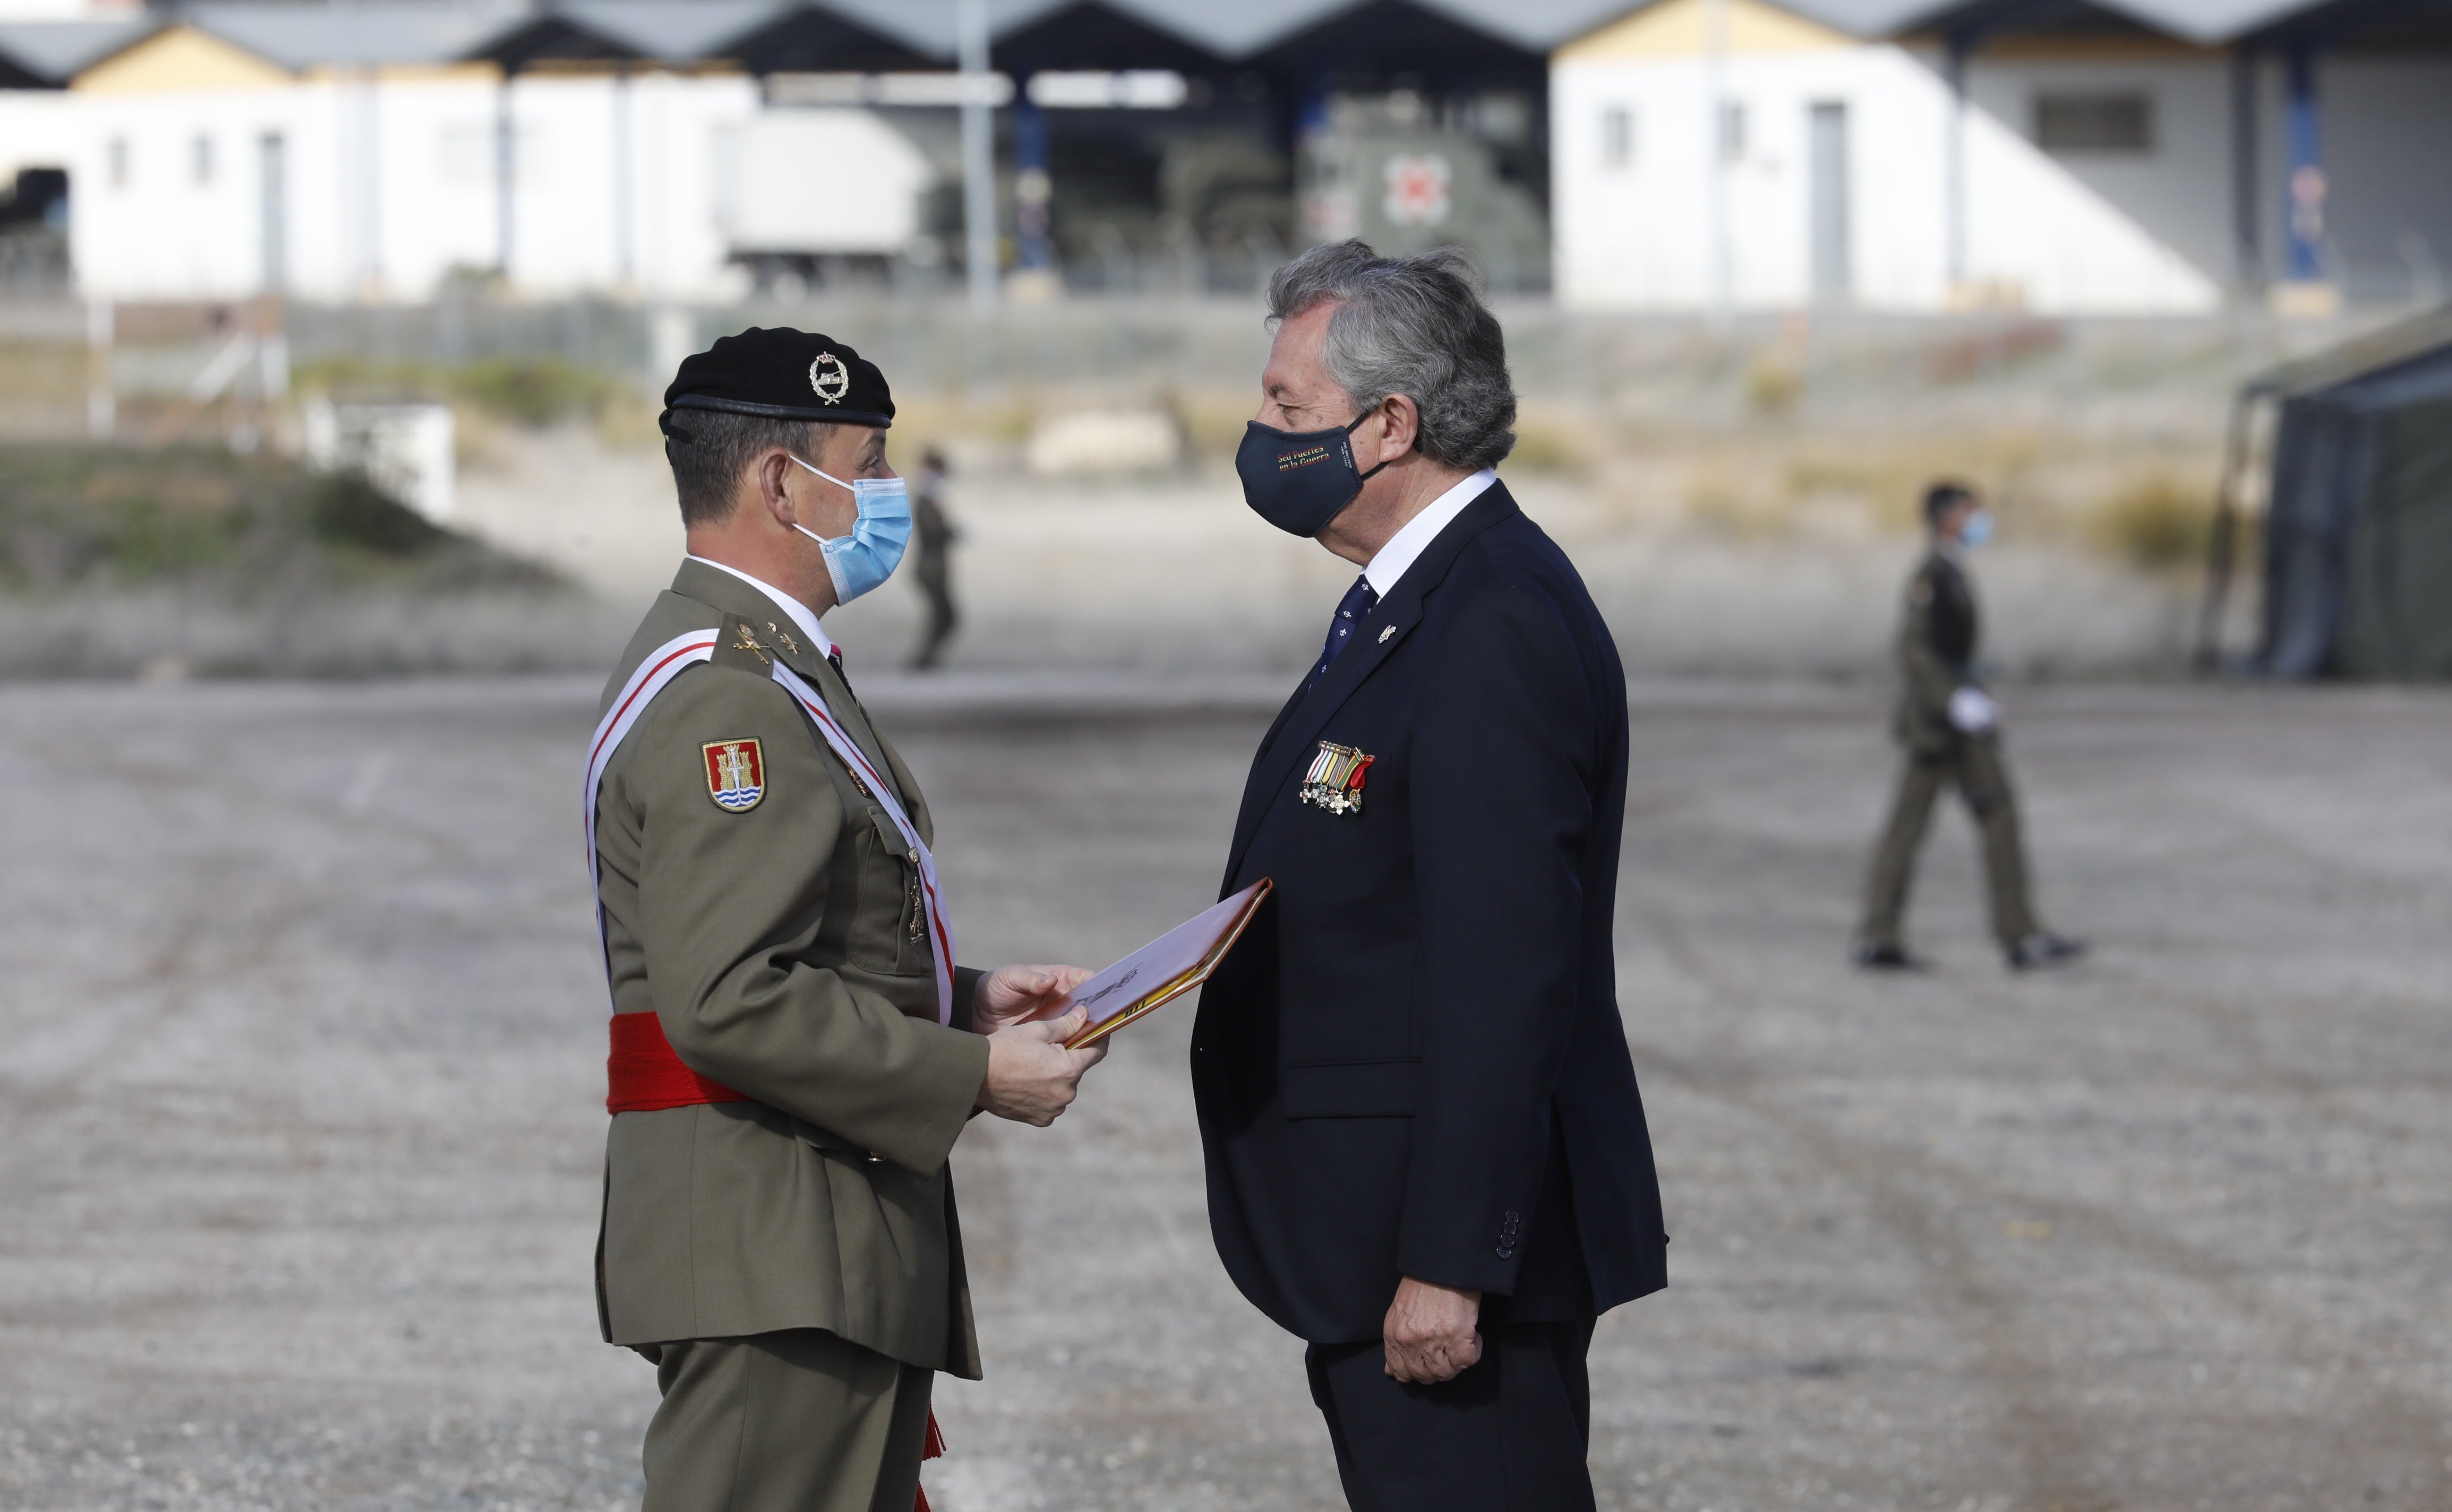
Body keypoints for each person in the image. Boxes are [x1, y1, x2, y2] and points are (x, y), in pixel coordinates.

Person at [585, 328, 1107, 1512]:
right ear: (781, 483)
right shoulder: (732, 695)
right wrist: (972, 1069)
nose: (884, 496)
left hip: (802, 1232)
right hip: (774, 1238)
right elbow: (729, 995)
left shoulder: (768, 670)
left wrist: (960, 992)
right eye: (866, 465)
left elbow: (802, 935)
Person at [1190, 242, 1668, 1512]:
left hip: (1443, 1263)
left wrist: (1454, 1262)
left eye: (1286, 410)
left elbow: (1502, 971)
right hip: (1372, 1234)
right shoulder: (1415, 600)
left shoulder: (1491, 617)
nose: (1258, 434)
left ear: (1388, 424)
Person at [1854, 481, 2086, 972]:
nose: (1979, 518)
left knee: (1909, 827)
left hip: (1945, 720)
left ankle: (1880, 934)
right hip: (1943, 725)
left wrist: (1972, 678)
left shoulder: (1951, 570)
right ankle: (2018, 935)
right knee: (1996, 813)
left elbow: (1945, 650)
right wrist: (1956, 698)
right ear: (1945, 517)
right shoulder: (1932, 575)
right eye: (1969, 510)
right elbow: (1915, 650)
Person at [908, 448, 960, 670]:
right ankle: (923, 661)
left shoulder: (928, 497)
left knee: (943, 616)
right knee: (945, 616)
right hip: (931, 567)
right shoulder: (926, 497)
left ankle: (926, 660)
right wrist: (950, 532)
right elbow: (933, 530)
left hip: (933, 567)